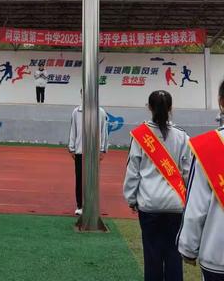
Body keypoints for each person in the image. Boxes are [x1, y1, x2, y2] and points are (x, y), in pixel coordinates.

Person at [123, 90, 190, 281]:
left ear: (149, 108)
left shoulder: (140, 136)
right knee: (173, 255)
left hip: (149, 204)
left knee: (152, 256)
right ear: (171, 108)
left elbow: (133, 171)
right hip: (175, 205)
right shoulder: (182, 136)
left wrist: (131, 198)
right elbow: (187, 172)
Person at [178, 79, 224, 280]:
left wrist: (188, 248)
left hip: (217, 255)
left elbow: (196, 207)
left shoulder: (208, 146)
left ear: (221, 102)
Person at [68, 91, 109, 216]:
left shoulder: (101, 112)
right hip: (80, 151)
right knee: (80, 179)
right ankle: (80, 206)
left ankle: (91, 205)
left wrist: (102, 150)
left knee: (92, 180)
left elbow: (104, 132)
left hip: (94, 152)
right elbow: (73, 129)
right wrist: (72, 147)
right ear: (81, 94)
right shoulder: (76, 112)